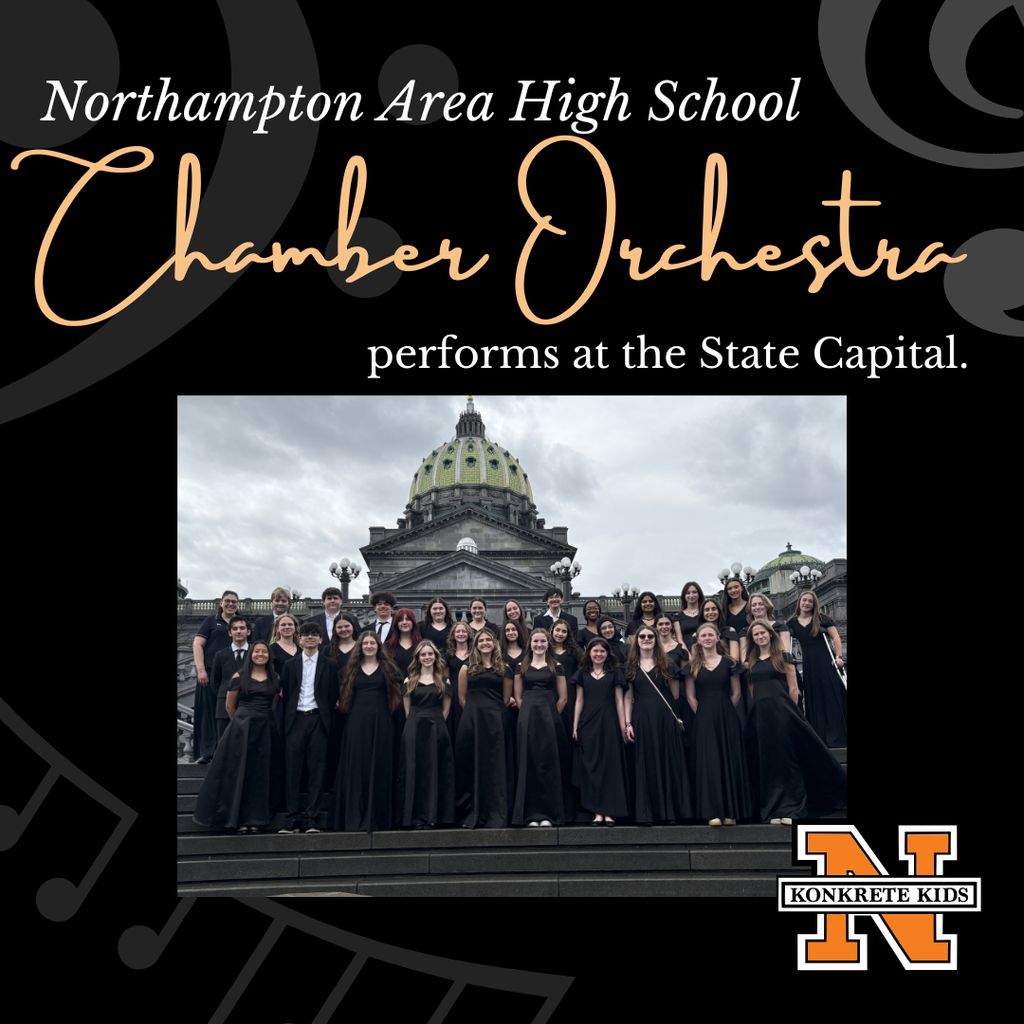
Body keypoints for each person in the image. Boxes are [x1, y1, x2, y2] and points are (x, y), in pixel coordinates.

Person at [743, 620, 847, 823]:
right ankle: (773, 809)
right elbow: (753, 690)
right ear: (752, 639)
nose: (760, 637)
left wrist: (790, 712)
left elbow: (793, 688)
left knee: (787, 760)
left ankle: (791, 809)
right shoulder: (751, 662)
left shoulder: (784, 657)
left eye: (762, 633)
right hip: (761, 718)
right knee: (769, 763)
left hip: (783, 713)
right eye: (756, 634)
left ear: (770, 634)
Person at [192, 642, 279, 833]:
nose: (260, 654)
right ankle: (238, 819)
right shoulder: (239, 676)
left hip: (265, 729)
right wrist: (241, 724)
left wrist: (260, 719)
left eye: (264, 651)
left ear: (269, 655)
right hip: (241, 729)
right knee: (239, 772)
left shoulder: (275, 677)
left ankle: (255, 819)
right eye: (257, 651)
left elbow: (272, 704)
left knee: (259, 774)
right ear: (251, 654)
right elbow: (230, 707)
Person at [332, 630, 403, 832]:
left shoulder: (388, 667)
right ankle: (356, 816)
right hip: (356, 722)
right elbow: (343, 694)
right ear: (360, 647)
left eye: (372, 643)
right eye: (365, 644)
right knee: (357, 766)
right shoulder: (350, 669)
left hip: (382, 722)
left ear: (378, 646)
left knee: (380, 765)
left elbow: (397, 695)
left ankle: (378, 817)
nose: (369, 646)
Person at [683, 624, 751, 826]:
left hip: (727, 716)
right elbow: (690, 696)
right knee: (709, 762)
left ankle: (731, 812)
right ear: (698, 639)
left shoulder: (730, 662)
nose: (707, 638)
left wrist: (725, 711)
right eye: (703, 635)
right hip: (703, 717)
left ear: (717, 637)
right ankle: (713, 811)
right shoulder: (693, 665)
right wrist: (704, 714)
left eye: (710, 635)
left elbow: (736, 693)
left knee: (729, 759)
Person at [624, 627, 692, 825]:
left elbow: (675, 694)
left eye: (650, 636)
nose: (646, 639)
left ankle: (669, 813)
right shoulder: (630, 666)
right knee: (645, 762)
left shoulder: (668, 664)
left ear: (656, 639)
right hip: (641, 717)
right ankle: (648, 814)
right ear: (637, 640)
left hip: (664, 716)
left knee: (667, 760)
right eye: (642, 636)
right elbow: (628, 697)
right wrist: (628, 723)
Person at [278, 622, 340, 833]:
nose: (310, 637)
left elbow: (333, 695)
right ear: (300, 639)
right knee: (292, 769)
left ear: (321, 639)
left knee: (317, 769)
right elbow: (287, 694)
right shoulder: (290, 664)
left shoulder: (330, 665)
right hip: (295, 720)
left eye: (314, 634)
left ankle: (312, 816)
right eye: (306, 634)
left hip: (318, 720)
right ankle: (292, 816)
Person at [511, 628, 573, 826]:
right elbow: (518, 697)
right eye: (535, 641)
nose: (539, 645)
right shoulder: (521, 666)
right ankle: (530, 814)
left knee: (549, 763)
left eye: (543, 641)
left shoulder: (556, 666)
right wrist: (528, 714)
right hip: (528, 719)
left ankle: (549, 814)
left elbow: (563, 698)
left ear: (548, 644)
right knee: (528, 763)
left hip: (550, 720)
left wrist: (551, 715)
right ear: (530, 644)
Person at [455, 628, 514, 828]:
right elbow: (462, 698)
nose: (485, 643)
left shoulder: (505, 669)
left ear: (494, 643)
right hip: (472, 721)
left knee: (495, 765)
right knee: (471, 763)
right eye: (481, 640)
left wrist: (492, 713)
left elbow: (506, 699)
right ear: (476, 645)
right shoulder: (466, 668)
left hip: (496, 722)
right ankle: (471, 813)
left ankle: (495, 813)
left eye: (488, 640)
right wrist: (475, 713)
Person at [571, 638, 630, 826]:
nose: (598, 654)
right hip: (588, 723)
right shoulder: (582, 673)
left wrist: (623, 726)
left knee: (609, 766)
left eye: (602, 651)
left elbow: (619, 701)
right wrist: (575, 726)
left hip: (609, 722)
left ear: (607, 654)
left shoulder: (615, 673)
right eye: (595, 651)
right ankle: (597, 812)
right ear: (589, 653)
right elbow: (579, 701)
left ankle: (609, 812)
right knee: (592, 767)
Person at [397, 641, 455, 829]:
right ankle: (413, 817)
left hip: (437, 728)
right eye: (423, 655)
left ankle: (433, 816)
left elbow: (446, 710)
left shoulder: (444, 681)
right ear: (418, 658)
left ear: (435, 657)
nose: (427, 657)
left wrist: (436, 724)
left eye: (430, 654)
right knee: (414, 769)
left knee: (435, 769)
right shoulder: (409, 681)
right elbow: (407, 710)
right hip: (414, 728)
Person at [787, 591, 847, 746]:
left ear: (814, 604)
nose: (807, 603)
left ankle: (838, 737)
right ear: (799, 602)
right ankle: (820, 737)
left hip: (827, 662)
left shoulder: (822, 619)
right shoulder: (792, 623)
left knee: (832, 696)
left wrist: (839, 657)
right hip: (809, 665)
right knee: (815, 698)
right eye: (804, 600)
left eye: (810, 601)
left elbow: (835, 637)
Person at [192, 590, 241, 763]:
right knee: (207, 712)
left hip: (233, 674)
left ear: (238, 604)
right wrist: (201, 670)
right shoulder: (211, 621)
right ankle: (207, 752)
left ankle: (226, 751)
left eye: (234, 601)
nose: (230, 604)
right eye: (227, 601)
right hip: (210, 672)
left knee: (228, 712)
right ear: (221, 603)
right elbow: (197, 644)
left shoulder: (241, 623)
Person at [211, 614, 252, 743]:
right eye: (235, 629)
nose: (238, 631)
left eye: (242, 628)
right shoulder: (220, 655)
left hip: (250, 706)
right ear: (230, 633)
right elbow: (215, 682)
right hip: (224, 709)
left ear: (248, 632)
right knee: (225, 745)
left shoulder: (256, 653)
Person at [738, 593, 792, 662]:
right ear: (750, 609)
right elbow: (744, 658)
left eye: (761, 604)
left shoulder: (781, 627)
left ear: (767, 606)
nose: (757, 607)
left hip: (778, 664)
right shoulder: (744, 631)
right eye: (754, 605)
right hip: (755, 666)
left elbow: (786, 652)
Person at [443, 621, 472, 749]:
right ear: (453, 635)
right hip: (454, 696)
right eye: (458, 631)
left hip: (471, 693)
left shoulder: (475, 654)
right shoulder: (448, 656)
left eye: (464, 631)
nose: (461, 634)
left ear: (468, 634)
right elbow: (446, 679)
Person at [387, 608, 422, 678]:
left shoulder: (422, 645)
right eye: (400, 620)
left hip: (418, 683)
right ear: (396, 624)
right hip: (395, 684)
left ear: (413, 622)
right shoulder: (387, 646)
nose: (404, 622)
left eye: (408, 619)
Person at [673, 582, 705, 647]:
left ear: (699, 594)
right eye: (688, 593)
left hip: (704, 648)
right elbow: (679, 639)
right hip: (686, 649)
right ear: (684, 596)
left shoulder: (705, 613)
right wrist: (687, 652)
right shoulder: (677, 617)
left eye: (694, 592)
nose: (691, 595)